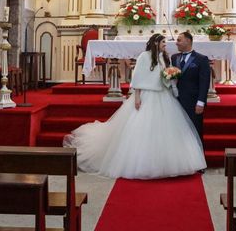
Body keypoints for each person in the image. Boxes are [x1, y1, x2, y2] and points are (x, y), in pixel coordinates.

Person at [63, 34, 206, 179]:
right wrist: (137, 97)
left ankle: (165, 162)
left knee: (165, 129)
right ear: (156, 43)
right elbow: (138, 77)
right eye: (163, 42)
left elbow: (164, 75)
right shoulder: (144, 56)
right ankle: (142, 164)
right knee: (142, 128)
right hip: (147, 95)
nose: (166, 44)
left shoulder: (165, 57)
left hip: (164, 95)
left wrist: (170, 78)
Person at [171, 31, 211, 143]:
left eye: (179, 40)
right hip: (177, 100)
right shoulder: (174, 58)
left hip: (193, 102)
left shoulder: (201, 59)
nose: (176, 43)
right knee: (179, 132)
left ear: (188, 41)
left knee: (195, 131)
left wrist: (201, 102)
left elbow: (204, 82)